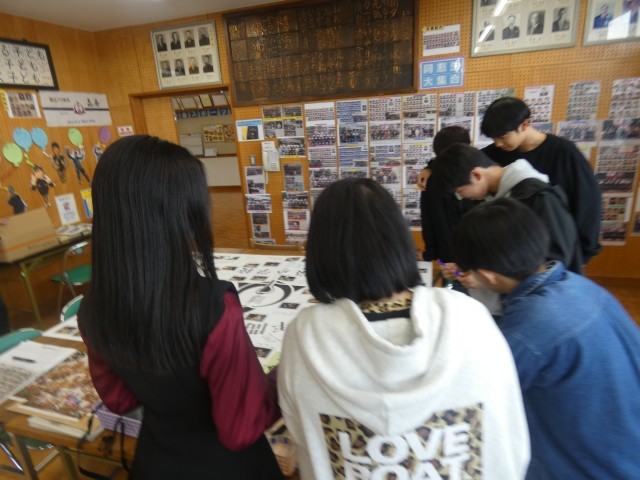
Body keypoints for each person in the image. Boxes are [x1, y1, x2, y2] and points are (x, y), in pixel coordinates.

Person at [278, 178, 530, 480]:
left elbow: (299, 430)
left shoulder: (306, 334)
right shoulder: (469, 315)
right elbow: (510, 438)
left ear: (321, 252)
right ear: (399, 239)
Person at [77, 135, 283, 480]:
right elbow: (241, 428)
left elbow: (119, 400)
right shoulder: (214, 307)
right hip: (232, 469)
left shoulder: (92, 309)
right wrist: (280, 378)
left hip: (155, 461)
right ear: (179, 215)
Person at [453, 198, 640, 480]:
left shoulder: (530, 327)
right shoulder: (580, 285)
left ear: (489, 275)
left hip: (594, 468)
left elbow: (470, 397)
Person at [480, 97, 601, 264]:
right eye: (493, 138)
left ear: (524, 125)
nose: (498, 143)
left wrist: (584, 251)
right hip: (510, 253)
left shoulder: (564, 152)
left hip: (557, 250)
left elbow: (587, 202)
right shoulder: (491, 155)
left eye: (503, 137)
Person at [430, 143, 583, 274]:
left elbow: (555, 261)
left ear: (477, 175)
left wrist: (486, 277)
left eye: (460, 191)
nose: (462, 197)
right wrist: (469, 269)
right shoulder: (491, 199)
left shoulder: (538, 197)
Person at [418, 127, 475, 274]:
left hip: (467, 259)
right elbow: (428, 218)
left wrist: (430, 252)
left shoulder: (478, 175)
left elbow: (428, 219)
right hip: (455, 259)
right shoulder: (431, 180)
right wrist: (430, 253)